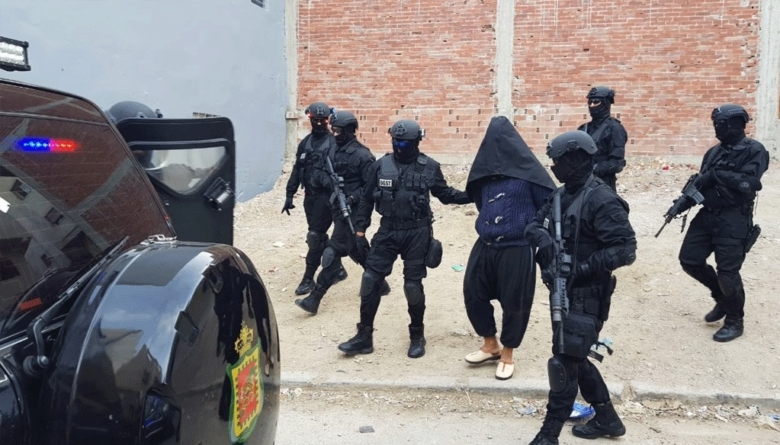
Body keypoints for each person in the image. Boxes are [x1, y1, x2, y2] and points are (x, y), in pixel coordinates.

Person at [525, 130, 637, 444]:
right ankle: (607, 419)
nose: (553, 167)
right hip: (561, 292)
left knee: (563, 363)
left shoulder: (601, 199)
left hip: (588, 296)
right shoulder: (560, 196)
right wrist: (546, 242)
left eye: (558, 162)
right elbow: (532, 226)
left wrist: (581, 268)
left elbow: (625, 249)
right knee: (574, 357)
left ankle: (548, 435)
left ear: (575, 161)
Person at [337, 119, 471, 358]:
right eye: (396, 141)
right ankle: (364, 336)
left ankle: (417, 335)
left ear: (417, 141)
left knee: (413, 286)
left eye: (405, 142)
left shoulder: (429, 167)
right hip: (388, 230)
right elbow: (367, 199)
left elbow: (445, 194)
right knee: (370, 280)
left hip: (417, 233)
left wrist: (474, 195)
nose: (400, 146)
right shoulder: (381, 166)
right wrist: (360, 231)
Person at [462, 116, 555, 380]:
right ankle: (490, 345)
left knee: (515, 302)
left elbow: (548, 206)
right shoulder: (484, 177)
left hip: (517, 246)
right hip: (486, 243)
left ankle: (508, 353)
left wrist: (537, 234)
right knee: (473, 292)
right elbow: (480, 203)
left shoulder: (530, 176)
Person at [676, 104, 769, 342]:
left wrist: (718, 175)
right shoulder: (713, 152)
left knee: (728, 273)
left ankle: (735, 320)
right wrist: (683, 203)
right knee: (689, 259)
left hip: (734, 218)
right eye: (715, 124)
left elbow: (749, 184)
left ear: (735, 125)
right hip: (708, 215)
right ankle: (721, 297)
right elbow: (701, 183)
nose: (717, 128)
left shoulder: (754, 150)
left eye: (720, 124)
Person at [294, 110, 390, 314]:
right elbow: (318, 172)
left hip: (355, 211)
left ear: (349, 130)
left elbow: (371, 186)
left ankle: (314, 298)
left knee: (332, 251)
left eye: (338, 130)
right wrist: (326, 181)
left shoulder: (363, 155)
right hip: (336, 207)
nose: (334, 133)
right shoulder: (331, 150)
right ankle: (380, 283)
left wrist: (353, 197)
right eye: (333, 130)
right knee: (356, 247)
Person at [283, 101, 347, 296]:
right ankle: (337, 268)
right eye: (315, 120)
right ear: (309, 119)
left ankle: (308, 279)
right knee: (318, 236)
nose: (319, 123)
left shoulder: (335, 144)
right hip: (310, 198)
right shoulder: (305, 143)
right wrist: (289, 194)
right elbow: (297, 169)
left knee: (315, 237)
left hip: (328, 198)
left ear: (328, 120)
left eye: (323, 120)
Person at [577, 86, 627, 192]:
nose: (592, 105)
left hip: (603, 185)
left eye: (596, 102)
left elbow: (617, 163)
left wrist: (593, 170)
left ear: (605, 103)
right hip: (580, 184)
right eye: (590, 102)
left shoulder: (615, 128)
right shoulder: (584, 128)